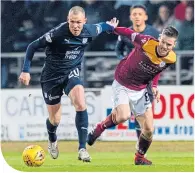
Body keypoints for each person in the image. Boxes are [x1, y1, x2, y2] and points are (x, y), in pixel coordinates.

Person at [19, 6, 118, 162]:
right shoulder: (58, 33)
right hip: (51, 77)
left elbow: (102, 26)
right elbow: (32, 46)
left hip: (71, 72)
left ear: (84, 21)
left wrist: (110, 26)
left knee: (80, 101)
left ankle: (82, 149)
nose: (75, 26)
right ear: (68, 20)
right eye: (72, 22)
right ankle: (52, 139)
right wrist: (25, 71)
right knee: (55, 119)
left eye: (79, 22)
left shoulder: (89, 30)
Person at [87, 20, 178, 165]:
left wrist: (154, 85)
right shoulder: (146, 42)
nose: (164, 47)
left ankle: (139, 158)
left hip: (140, 89)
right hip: (122, 82)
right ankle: (99, 128)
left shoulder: (171, 58)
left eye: (169, 45)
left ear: (174, 45)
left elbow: (158, 69)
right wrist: (112, 28)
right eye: (163, 42)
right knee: (123, 116)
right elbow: (128, 33)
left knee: (148, 130)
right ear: (160, 38)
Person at [115, 5, 159, 150]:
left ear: (145, 16)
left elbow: (159, 55)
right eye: (134, 14)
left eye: (140, 14)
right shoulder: (126, 33)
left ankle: (142, 142)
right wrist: (124, 60)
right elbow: (118, 50)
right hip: (129, 78)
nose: (137, 16)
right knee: (135, 112)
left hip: (147, 77)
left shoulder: (153, 33)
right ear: (130, 17)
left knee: (145, 113)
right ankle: (140, 143)